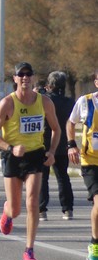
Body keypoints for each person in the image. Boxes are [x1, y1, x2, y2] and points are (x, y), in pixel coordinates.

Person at [0, 61, 60, 260]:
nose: (25, 77)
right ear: (15, 79)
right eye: (21, 74)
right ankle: (7, 211)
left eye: (29, 74)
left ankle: (29, 249)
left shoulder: (44, 102)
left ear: (33, 77)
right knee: (16, 209)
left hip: (35, 155)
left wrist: (52, 151)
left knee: (33, 202)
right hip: (13, 157)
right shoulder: (7, 103)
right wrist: (10, 148)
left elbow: (56, 129)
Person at [67, 70, 98, 260]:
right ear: (96, 82)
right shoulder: (85, 102)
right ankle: (95, 245)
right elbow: (71, 122)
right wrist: (71, 144)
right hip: (91, 162)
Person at [39, 71, 75, 221]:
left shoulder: (44, 100)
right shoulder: (69, 102)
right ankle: (67, 209)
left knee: (43, 178)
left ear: (50, 84)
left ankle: (42, 210)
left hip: (45, 142)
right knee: (63, 177)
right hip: (63, 143)